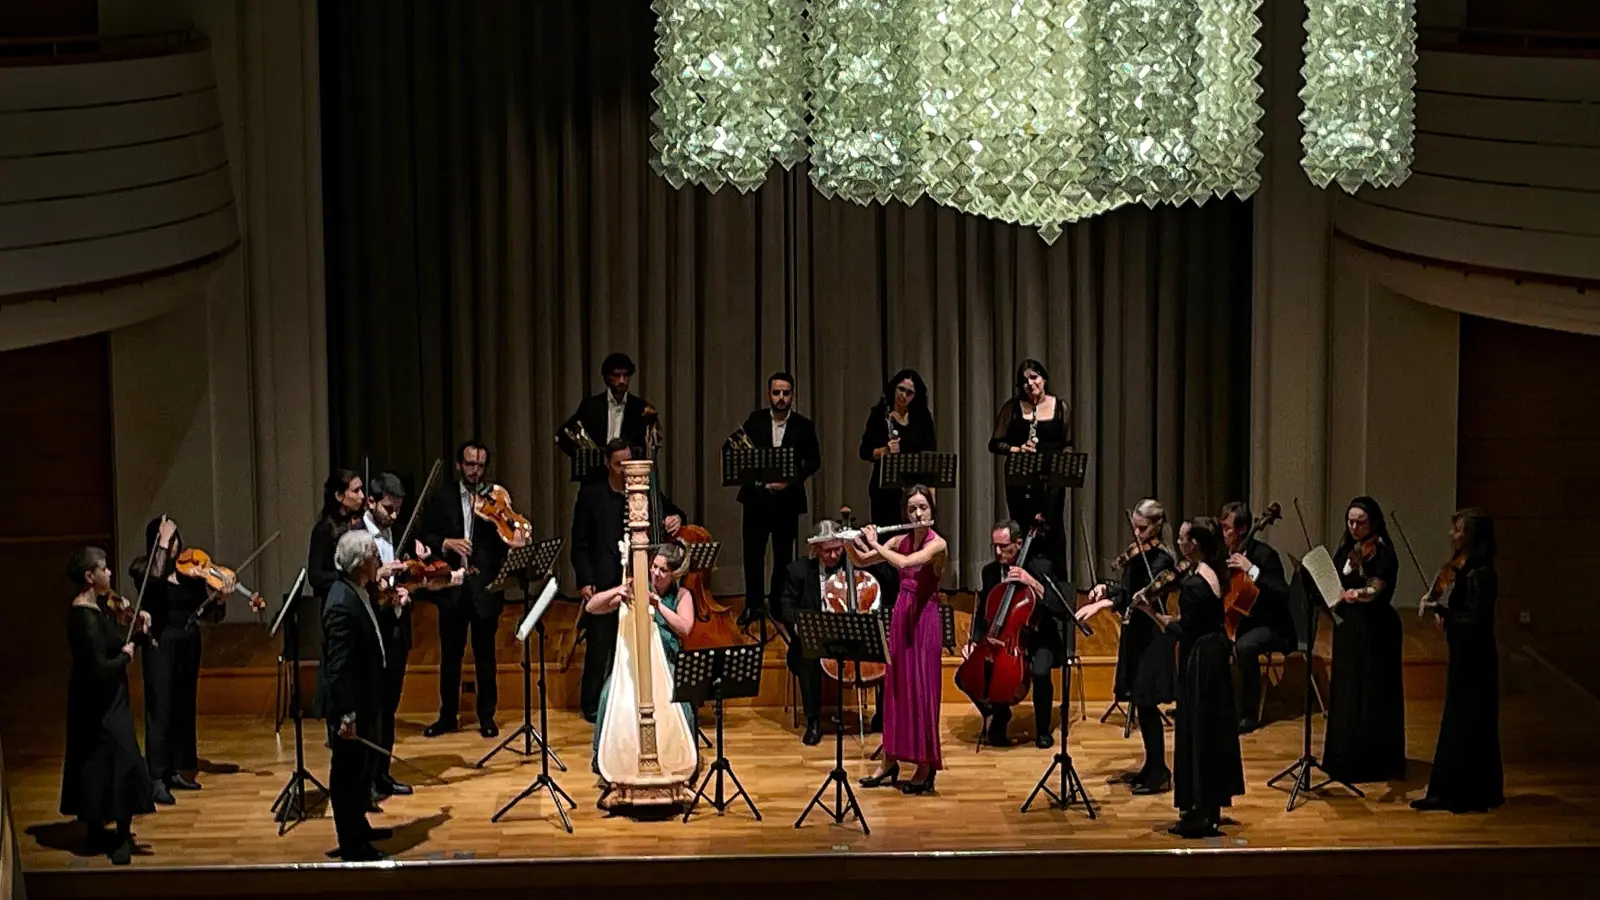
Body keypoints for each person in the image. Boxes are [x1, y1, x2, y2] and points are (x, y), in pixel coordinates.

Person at [1133, 518, 1245, 838]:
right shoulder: (1213, 571)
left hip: (1201, 660)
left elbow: (1182, 629)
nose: (1179, 544)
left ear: (1194, 544)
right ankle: (1210, 805)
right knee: (1211, 730)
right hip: (1214, 653)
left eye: (1183, 539)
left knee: (1196, 731)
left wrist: (1149, 612)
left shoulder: (1195, 585)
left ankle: (1198, 810)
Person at [418, 440, 528, 738]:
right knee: (450, 655)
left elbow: (510, 536)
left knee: (485, 655)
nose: (474, 471)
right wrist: (446, 543)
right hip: (452, 586)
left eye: (480, 466)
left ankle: (486, 716)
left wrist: (514, 536)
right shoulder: (443, 498)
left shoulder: (496, 498)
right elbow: (424, 532)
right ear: (459, 465)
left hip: (485, 587)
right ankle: (447, 715)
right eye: (469, 464)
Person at [570, 438, 686, 722]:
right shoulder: (591, 495)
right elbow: (579, 543)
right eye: (620, 464)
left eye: (629, 462)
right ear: (608, 464)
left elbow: (672, 512)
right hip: (605, 579)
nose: (626, 470)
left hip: (641, 582)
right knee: (600, 644)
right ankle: (592, 705)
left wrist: (676, 518)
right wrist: (585, 580)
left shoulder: (644, 491)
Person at [362, 472, 462, 797]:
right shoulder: (356, 535)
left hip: (396, 629)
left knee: (389, 707)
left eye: (398, 510)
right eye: (388, 509)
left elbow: (417, 571)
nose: (393, 516)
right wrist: (378, 578)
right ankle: (366, 780)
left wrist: (410, 585)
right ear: (370, 502)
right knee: (371, 709)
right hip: (369, 632)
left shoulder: (401, 532)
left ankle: (382, 773)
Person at [1075, 498, 1176, 794]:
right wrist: (1106, 588)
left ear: (1157, 526)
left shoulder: (1163, 560)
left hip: (1153, 638)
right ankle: (1151, 767)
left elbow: (1142, 593)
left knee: (1147, 703)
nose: (1136, 533)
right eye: (1134, 526)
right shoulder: (1138, 555)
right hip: (1136, 636)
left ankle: (1160, 772)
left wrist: (1107, 603)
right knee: (1140, 703)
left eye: (1142, 528)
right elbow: (1126, 586)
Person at [61, 547, 154, 866]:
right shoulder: (83, 617)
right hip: (98, 699)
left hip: (105, 696)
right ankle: (120, 835)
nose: (111, 574)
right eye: (104, 569)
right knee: (120, 756)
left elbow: (114, 640)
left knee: (99, 759)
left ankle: (97, 826)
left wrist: (137, 629)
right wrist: (127, 655)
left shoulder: (97, 607)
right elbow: (100, 665)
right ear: (90, 577)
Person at [855, 485, 946, 794]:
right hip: (901, 617)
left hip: (925, 619)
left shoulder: (938, 545)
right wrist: (851, 541)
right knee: (895, 690)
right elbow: (863, 560)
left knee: (922, 690)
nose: (917, 514)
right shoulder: (898, 540)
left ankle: (925, 767)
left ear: (932, 510)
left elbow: (906, 564)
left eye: (922, 508)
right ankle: (890, 760)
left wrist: (875, 545)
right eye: (911, 509)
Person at [1412, 508, 1503, 813]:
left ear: (1472, 536)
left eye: (1458, 530)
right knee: (1460, 722)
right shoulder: (1466, 569)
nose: (1452, 535)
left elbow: (1475, 620)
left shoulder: (1481, 573)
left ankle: (1461, 794)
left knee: (1466, 723)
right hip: (1466, 655)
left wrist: (1444, 613)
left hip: (1476, 660)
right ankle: (1458, 791)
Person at [320, 530, 400, 862]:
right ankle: (351, 843)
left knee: (363, 770)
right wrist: (348, 714)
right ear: (360, 563)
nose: (377, 562)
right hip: (350, 705)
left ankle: (359, 826)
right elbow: (338, 669)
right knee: (348, 774)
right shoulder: (340, 603)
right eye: (372, 557)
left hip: (368, 697)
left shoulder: (357, 591)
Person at [586, 543, 697, 769]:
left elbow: (685, 627)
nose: (655, 573)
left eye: (663, 571)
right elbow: (591, 607)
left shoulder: (682, 595)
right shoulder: (637, 586)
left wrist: (657, 604)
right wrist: (617, 591)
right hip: (635, 661)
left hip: (666, 661)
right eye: (654, 567)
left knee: (681, 702)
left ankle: (684, 757)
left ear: (675, 574)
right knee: (608, 694)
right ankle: (603, 756)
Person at [127, 516, 211, 805]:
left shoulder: (189, 572)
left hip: (188, 645)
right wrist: (161, 543)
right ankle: (156, 777)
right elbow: (152, 588)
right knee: (160, 709)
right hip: (160, 645)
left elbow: (208, 615)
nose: (175, 544)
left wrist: (218, 598)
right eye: (168, 539)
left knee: (183, 707)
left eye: (176, 538)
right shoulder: (143, 568)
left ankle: (175, 769)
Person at [965, 518, 1071, 749]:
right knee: (969, 675)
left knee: (1040, 671)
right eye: (994, 546)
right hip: (1004, 639)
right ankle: (1000, 717)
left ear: (1020, 544)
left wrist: (1031, 581)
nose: (998, 551)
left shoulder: (1040, 567)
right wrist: (974, 641)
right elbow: (985, 610)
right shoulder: (990, 572)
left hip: (1040, 636)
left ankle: (1043, 729)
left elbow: (1061, 607)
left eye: (1004, 546)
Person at [1323, 496, 1407, 784]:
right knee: (1347, 692)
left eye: (1361, 522)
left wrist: (1358, 594)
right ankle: (1343, 759)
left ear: (1373, 522)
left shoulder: (1383, 552)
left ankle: (1373, 763)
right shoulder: (1346, 549)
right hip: (1349, 628)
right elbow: (1335, 578)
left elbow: (1376, 589)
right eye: (1351, 521)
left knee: (1371, 694)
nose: (1355, 527)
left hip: (1375, 629)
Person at [735, 371, 821, 627]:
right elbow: (741, 453)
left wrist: (790, 480)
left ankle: (777, 604)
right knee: (753, 554)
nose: (781, 398)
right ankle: (753, 606)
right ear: (768, 394)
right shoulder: (755, 420)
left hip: (787, 501)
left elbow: (814, 461)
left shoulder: (804, 425)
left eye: (786, 393)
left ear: (792, 395)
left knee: (783, 556)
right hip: (757, 499)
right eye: (776, 393)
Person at [988, 359, 1072, 577]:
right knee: (1023, 532)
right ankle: (1022, 591)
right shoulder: (1013, 408)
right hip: (1020, 481)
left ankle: (1055, 592)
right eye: (1024, 381)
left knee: (1052, 532)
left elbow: (1067, 444)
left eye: (1034, 378)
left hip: (1051, 482)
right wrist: (1018, 449)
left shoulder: (1060, 407)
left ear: (1044, 378)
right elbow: (995, 444)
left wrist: (1064, 464)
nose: (1030, 384)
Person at [1219, 502, 1295, 733]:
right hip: (1242, 621)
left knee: (1245, 647)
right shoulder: (1227, 555)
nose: (1223, 534)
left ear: (1242, 530)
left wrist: (1252, 570)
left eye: (1227, 528)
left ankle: (1248, 715)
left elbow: (1281, 593)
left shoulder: (1264, 555)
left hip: (1272, 625)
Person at [555, 352, 658, 479]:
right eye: (617, 375)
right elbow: (564, 435)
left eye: (625, 375)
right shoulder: (591, 406)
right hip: (596, 477)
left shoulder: (641, 408)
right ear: (607, 377)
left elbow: (651, 446)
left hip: (629, 477)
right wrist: (585, 458)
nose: (622, 380)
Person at [858, 369, 936, 529]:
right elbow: (864, 451)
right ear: (894, 388)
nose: (903, 395)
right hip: (885, 489)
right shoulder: (880, 415)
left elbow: (930, 452)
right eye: (901, 389)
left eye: (909, 392)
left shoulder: (922, 417)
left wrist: (931, 493)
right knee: (888, 536)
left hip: (914, 488)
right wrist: (885, 450)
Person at [308, 469, 367, 602]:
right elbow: (315, 576)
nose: (362, 496)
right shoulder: (324, 529)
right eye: (356, 491)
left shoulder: (358, 523)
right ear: (340, 496)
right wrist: (347, 578)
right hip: (336, 601)